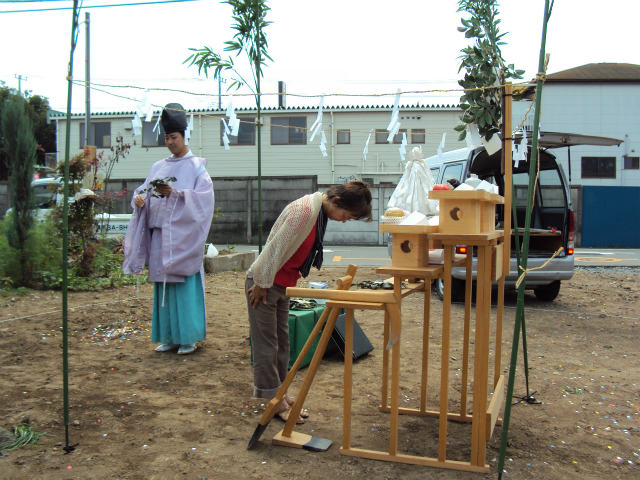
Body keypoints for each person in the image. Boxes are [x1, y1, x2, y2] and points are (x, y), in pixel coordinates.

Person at [246, 181, 372, 422]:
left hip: (282, 284)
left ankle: (279, 393)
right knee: (267, 345)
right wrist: (261, 283)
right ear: (336, 202)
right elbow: (274, 248)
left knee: (283, 343)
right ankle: (273, 401)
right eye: (346, 215)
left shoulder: (318, 213)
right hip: (263, 282)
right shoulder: (305, 211)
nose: (344, 220)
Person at [123, 103, 214, 355]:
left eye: (173, 137)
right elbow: (143, 190)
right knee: (162, 284)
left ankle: (188, 337)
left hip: (184, 237)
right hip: (161, 235)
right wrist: (139, 200)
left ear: (184, 137)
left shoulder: (197, 167)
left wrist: (175, 195)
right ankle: (168, 336)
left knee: (183, 285)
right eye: (166, 137)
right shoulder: (158, 167)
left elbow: (204, 200)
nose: (170, 142)